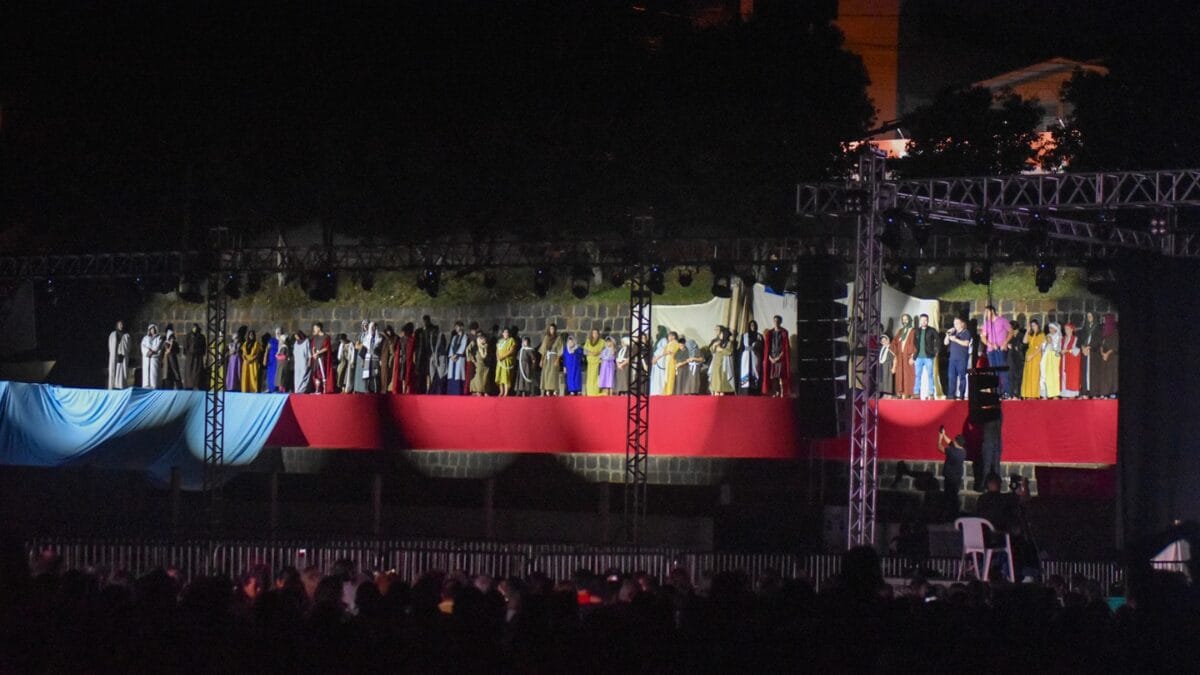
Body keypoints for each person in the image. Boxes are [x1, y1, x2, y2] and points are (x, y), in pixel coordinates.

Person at [981, 305, 1014, 398]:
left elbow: (1011, 332)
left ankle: (1006, 392)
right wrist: (990, 344)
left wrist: (1005, 343)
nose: (986, 314)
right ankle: (997, 392)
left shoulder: (1002, 320)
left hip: (1000, 349)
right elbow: (983, 337)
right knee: (993, 371)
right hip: (991, 350)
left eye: (987, 312)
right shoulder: (987, 323)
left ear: (992, 311)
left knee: (1002, 371)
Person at [937, 426, 966, 511]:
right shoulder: (963, 451)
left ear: (956, 442)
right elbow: (951, 443)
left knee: (948, 496)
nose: (953, 441)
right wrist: (944, 434)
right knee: (954, 495)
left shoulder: (952, 452)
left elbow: (940, 447)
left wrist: (940, 438)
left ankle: (949, 512)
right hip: (957, 477)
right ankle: (954, 511)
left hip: (950, 477)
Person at [912, 314, 939, 400]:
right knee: (917, 375)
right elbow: (914, 342)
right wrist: (914, 354)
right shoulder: (917, 331)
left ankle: (931, 393)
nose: (924, 322)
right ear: (920, 321)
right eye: (922, 320)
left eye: (925, 320)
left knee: (930, 375)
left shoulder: (932, 330)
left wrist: (936, 351)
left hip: (928, 357)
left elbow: (938, 340)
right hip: (918, 357)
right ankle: (916, 393)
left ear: (928, 321)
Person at [762, 315, 790, 397]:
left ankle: (782, 393)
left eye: (778, 321)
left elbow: (785, 348)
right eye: (775, 321)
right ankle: (776, 392)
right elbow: (767, 348)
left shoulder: (784, 332)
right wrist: (770, 358)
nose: (776, 322)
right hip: (772, 358)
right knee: (773, 377)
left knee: (781, 376)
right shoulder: (769, 333)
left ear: (780, 322)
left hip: (780, 358)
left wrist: (779, 357)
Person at [944, 317, 971, 400]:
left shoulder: (966, 332)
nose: (955, 325)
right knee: (951, 376)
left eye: (957, 323)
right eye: (954, 323)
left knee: (962, 376)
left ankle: (961, 394)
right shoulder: (953, 333)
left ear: (962, 324)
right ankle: (951, 395)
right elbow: (945, 343)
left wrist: (955, 340)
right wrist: (948, 334)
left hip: (961, 358)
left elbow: (966, 343)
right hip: (952, 359)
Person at [892, 314, 916, 398]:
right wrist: (894, 351)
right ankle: (902, 392)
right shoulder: (900, 331)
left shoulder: (913, 331)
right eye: (903, 319)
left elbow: (915, 344)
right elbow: (894, 342)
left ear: (910, 320)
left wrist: (913, 355)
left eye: (906, 319)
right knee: (900, 374)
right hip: (900, 356)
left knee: (909, 374)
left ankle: (910, 392)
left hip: (908, 356)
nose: (905, 321)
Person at [708, 326, 735, 395]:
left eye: (721, 334)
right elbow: (712, 350)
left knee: (721, 384)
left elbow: (729, 352)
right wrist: (714, 345)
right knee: (715, 383)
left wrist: (721, 349)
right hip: (716, 364)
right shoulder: (717, 342)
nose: (720, 335)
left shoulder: (729, 343)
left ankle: (721, 396)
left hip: (723, 365)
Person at [1096, 314, 1119, 398]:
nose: (1103, 322)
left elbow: (1115, 345)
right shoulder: (1104, 332)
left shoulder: (1115, 332)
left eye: (1105, 320)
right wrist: (1102, 352)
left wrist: (1107, 354)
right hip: (1104, 357)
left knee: (1111, 375)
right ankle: (1105, 393)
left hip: (1112, 357)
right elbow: (1101, 344)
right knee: (1104, 375)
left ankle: (1113, 393)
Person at [1021, 319, 1044, 399]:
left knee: (1035, 374)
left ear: (1038, 325)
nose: (1033, 327)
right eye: (1032, 326)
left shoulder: (1041, 335)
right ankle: (1028, 393)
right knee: (1028, 374)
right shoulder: (1031, 334)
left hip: (1036, 356)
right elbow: (1024, 341)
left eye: (1034, 325)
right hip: (1029, 355)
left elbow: (1040, 348)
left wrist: (1032, 356)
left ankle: (1034, 394)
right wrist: (1027, 331)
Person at [739, 320, 763, 395]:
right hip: (746, 356)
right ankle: (745, 391)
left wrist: (757, 347)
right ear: (749, 326)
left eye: (754, 325)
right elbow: (741, 347)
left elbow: (762, 347)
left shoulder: (759, 336)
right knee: (745, 371)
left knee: (755, 370)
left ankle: (755, 390)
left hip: (755, 355)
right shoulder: (744, 335)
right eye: (751, 325)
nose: (753, 326)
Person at [538, 323, 563, 396]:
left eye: (553, 329)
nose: (552, 330)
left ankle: (555, 389)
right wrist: (541, 360)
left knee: (554, 374)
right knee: (546, 373)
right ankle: (547, 389)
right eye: (551, 329)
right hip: (547, 358)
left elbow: (560, 350)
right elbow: (543, 350)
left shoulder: (558, 338)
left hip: (554, 357)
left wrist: (557, 360)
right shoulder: (546, 338)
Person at [655, 331, 682, 396]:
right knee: (667, 377)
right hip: (668, 362)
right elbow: (665, 351)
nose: (668, 337)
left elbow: (672, 352)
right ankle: (666, 391)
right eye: (668, 336)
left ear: (673, 336)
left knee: (670, 377)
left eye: (669, 336)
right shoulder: (669, 343)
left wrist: (662, 355)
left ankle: (669, 392)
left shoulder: (675, 343)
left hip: (672, 362)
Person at [359, 322, 383, 393]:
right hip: (367, 358)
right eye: (372, 327)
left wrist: (380, 359)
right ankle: (367, 389)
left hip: (375, 358)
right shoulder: (366, 338)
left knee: (375, 374)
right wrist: (362, 361)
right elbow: (363, 350)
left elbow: (380, 350)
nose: (373, 329)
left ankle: (376, 389)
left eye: (375, 327)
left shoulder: (379, 338)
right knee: (367, 374)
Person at [107, 320, 132, 389]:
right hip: (115, 355)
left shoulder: (126, 335)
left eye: (122, 324)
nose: (121, 326)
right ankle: (112, 386)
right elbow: (110, 345)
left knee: (121, 371)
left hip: (123, 356)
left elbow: (129, 346)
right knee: (114, 370)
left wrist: (123, 353)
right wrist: (114, 353)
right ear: (117, 325)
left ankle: (121, 385)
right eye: (120, 324)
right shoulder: (113, 334)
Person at [1060, 322, 1083, 398]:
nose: (1066, 330)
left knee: (1071, 377)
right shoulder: (1063, 339)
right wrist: (1060, 351)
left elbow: (1076, 351)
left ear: (1072, 330)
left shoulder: (1075, 339)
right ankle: (1064, 393)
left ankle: (1072, 394)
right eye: (1065, 329)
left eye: (1067, 329)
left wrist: (1067, 351)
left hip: (1072, 362)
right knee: (1064, 375)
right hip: (1064, 360)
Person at [1040, 322, 1062, 399]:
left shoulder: (1059, 337)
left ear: (1056, 329)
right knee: (1045, 375)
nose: (1050, 329)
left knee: (1054, 375)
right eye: (1050, 328)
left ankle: (1054, 394)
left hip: (1054, 358)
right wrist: (1045, 343)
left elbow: (1058, 349)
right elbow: (1043, 347)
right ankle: (1045, 394)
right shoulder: (1047, 336)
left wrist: (1051, 342)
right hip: (1046, 357)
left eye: (1052, 328)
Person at [1080, 312, 1100, 398]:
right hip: (1085, 352)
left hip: (1093, 353)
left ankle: (1094, 392)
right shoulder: (1084, 328)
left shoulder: (1098, 327)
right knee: (1085, 372)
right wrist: (1083, 348)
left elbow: (1098, 340)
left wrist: (1089, 347)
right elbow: (1080, 339)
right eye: (1088, 316)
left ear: (1094, 317)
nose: (1089, 318)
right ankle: (1085, 392)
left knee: (1093, 373)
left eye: (1090, 316)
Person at [446, 322, 469, 396]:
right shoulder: (454, 337)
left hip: (460, 358)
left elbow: (463, 346)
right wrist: (451, 356)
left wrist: (457, 355)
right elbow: (451, 346)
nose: (456, 328)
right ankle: (451, 392)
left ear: (461, 327)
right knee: (452, 374)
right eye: (455, 327)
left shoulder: (465, 337)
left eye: (457, 326)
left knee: (458, 374)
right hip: (453, 358)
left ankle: (458, 392)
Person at [310, 323, 333, 394]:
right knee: (316, 374)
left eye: (315, 328)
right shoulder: (314, 338)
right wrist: (314, 353)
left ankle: (324, 389)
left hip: (323, 359)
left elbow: (326, 348)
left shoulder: (326, 337)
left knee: (322, 373)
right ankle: (317, 389)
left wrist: (318, 353)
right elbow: (313, 347)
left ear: (319, 328)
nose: (314, 330)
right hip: (316, 358)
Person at [427, 318, 448, 394]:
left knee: (441, 375)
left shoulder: (441, 336)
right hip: (433, 357)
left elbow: (443, 346)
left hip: (440, 357)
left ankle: (440, 391)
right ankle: (434, 391)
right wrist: (432, 356)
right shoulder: (431, 336)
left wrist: (438, 356)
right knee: (433, 374)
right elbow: (431, 347)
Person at [183, 324, 206, 390]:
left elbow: (203, 348)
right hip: (190, 358)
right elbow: (185, 348)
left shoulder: (201, 337)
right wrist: (189, 352)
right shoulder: (188, 336)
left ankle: (198, 385)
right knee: (189, 374)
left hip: (198, 358)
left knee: (198, 375)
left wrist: (199, 352)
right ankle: (189, 387)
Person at [494, 328, 516, 397]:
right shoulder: (500, 341)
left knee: (506, 377)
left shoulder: (511, 340)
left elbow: (511, 351)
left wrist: (503, 357)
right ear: (503, 334)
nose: (506, 334)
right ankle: (501, 391)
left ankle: (506, 393)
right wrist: (498, 356)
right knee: (499, 376)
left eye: (507, 332)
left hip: (506, 361)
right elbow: (497, 350)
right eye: (505, 332)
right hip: (500, 361)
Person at [1007, 320, 1026, 397]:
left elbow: (1023, 346)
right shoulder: (1010, 336)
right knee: (1011, 376)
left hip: (1018, 359)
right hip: (1011, 358)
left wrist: (1016, 347)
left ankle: (1017, 394)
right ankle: (1011, 394)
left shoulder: (1021, 336)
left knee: (1018, 376)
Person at [140, 324, 163, 389]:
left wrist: (152, 351)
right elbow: (143, 346)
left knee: (154, 374)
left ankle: (154, 386)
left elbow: (158, 347)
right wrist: (147, 351)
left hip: (154, 358)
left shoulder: (159, 338)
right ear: (149, 330)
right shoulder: (145, 338)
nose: (153, 330)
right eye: (151, 329)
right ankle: (146, 386)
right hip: (147, 358)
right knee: (146, 374)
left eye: (154, 329)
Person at [583, 329, 604, 396]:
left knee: (596, 378)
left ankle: (595, 391)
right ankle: (589, 392)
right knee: (590, 377)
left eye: (596, 333)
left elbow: (605, 350)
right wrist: (591, 353)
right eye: (593, 333)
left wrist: (598, 353)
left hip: (597, 362)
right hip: (590, 362)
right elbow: (585, 351)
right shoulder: (588, 341)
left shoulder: (602, 341)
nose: (595, 334)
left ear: (598, 334)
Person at [649, 327, 668, 396]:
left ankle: (660, 391)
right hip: (656, 360)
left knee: (660, 376)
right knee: (656, 376)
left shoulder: (664, 340)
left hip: (660, 360)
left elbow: (663, 350)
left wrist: (656, 358)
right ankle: (655, 391)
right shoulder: (658, 341)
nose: (657, 332)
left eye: (658, 331)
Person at [292, 330, 312, 394]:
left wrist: (309, 361)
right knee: (297, 376)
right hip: (297, 362)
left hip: (304, 361)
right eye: (295, 336)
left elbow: (309, 352)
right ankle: (297, 390)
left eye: (297, 336)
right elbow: (294, 352)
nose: (296, 338)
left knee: (303, 376)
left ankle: (302, 390)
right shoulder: (296, 343)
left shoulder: (306, 341)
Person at [225, 328, 244, 392]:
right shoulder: (230, 345)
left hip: (238, 359)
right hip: (232, 360)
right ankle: (231, 386)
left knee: (238, 372)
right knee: (232, 372)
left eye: (237, 338)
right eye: (235, 338)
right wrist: (234, 347)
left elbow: (239, 351)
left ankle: (238, 386)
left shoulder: (240, 344)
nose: (236, 339)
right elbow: (231, 352)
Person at [265, 328, 282, 393]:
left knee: (278, 373)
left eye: (279, 332)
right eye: (277, 332)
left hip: (279, 359)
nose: (278, 333)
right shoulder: (272, 340)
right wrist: (265, 358)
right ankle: (270, 388)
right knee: (271, 374)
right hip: (272, 360)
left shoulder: (282, 340)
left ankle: (277, 388)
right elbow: (267, 349)